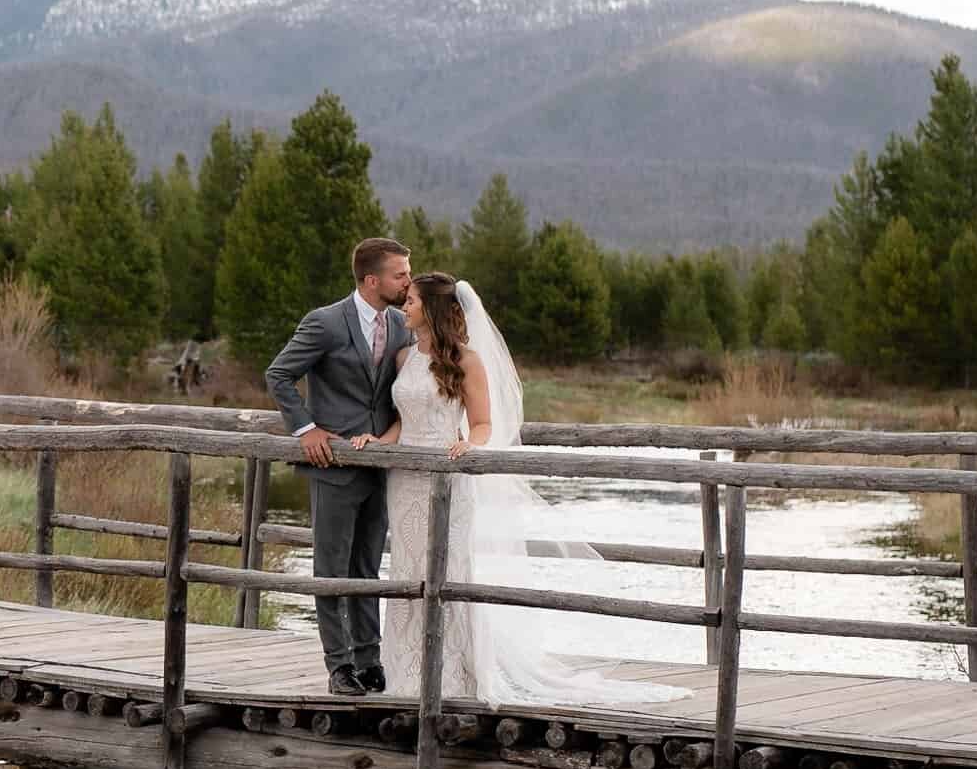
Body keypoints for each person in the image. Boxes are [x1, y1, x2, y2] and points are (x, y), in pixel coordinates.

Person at [350, 273, 687, 707]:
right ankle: (407, 672)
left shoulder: (467, 361)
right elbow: (405, 421)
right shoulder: (402, 358)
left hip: (449, 476)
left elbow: (485, 423)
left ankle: (454, 672)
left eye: (412, 301)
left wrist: (472, 443)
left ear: (432, 309)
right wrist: (381, 443)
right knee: (407, 570)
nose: (405, 307)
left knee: (449, 569)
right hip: (406, 483)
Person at [264, 238, 414, 696]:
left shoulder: (400, 325)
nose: (408, 281)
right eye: (400, 274)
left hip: (380, 464)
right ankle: (338, 666)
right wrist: (305, 428)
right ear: (373, 280)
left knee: (367, 568)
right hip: (332, 465)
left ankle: (370, 659)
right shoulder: (326, 322)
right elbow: (278, 375)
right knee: (331, 568)